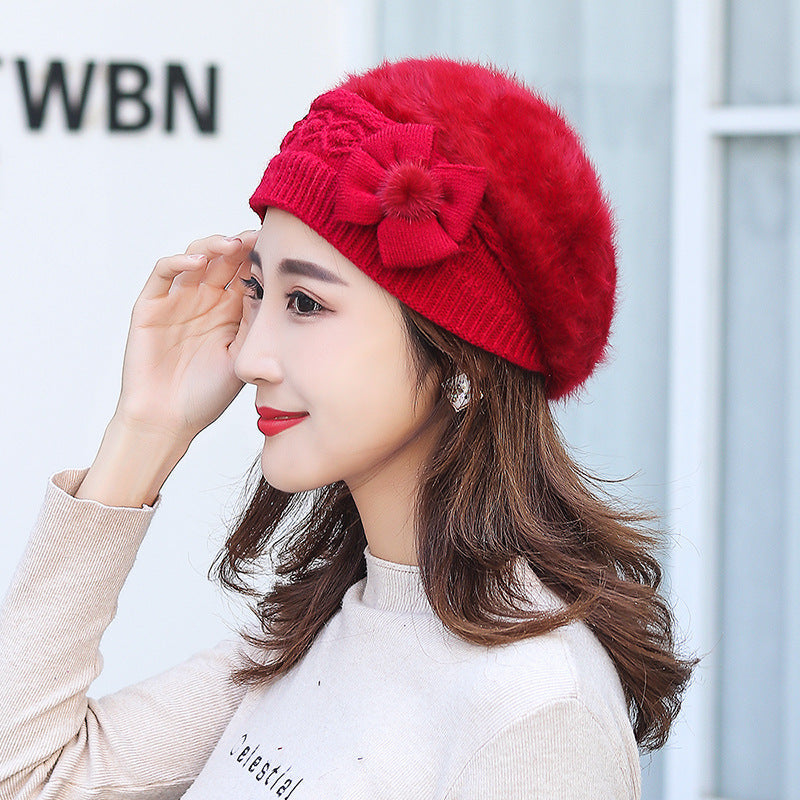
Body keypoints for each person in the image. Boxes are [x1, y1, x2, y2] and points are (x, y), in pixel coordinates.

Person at [0, 57, 695, 799]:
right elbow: (30, 775)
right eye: (256, 290)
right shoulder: (318, 631)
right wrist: (147, 428)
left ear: (459, 357)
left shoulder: (535, 709)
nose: (249, 356)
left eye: (305, 303)